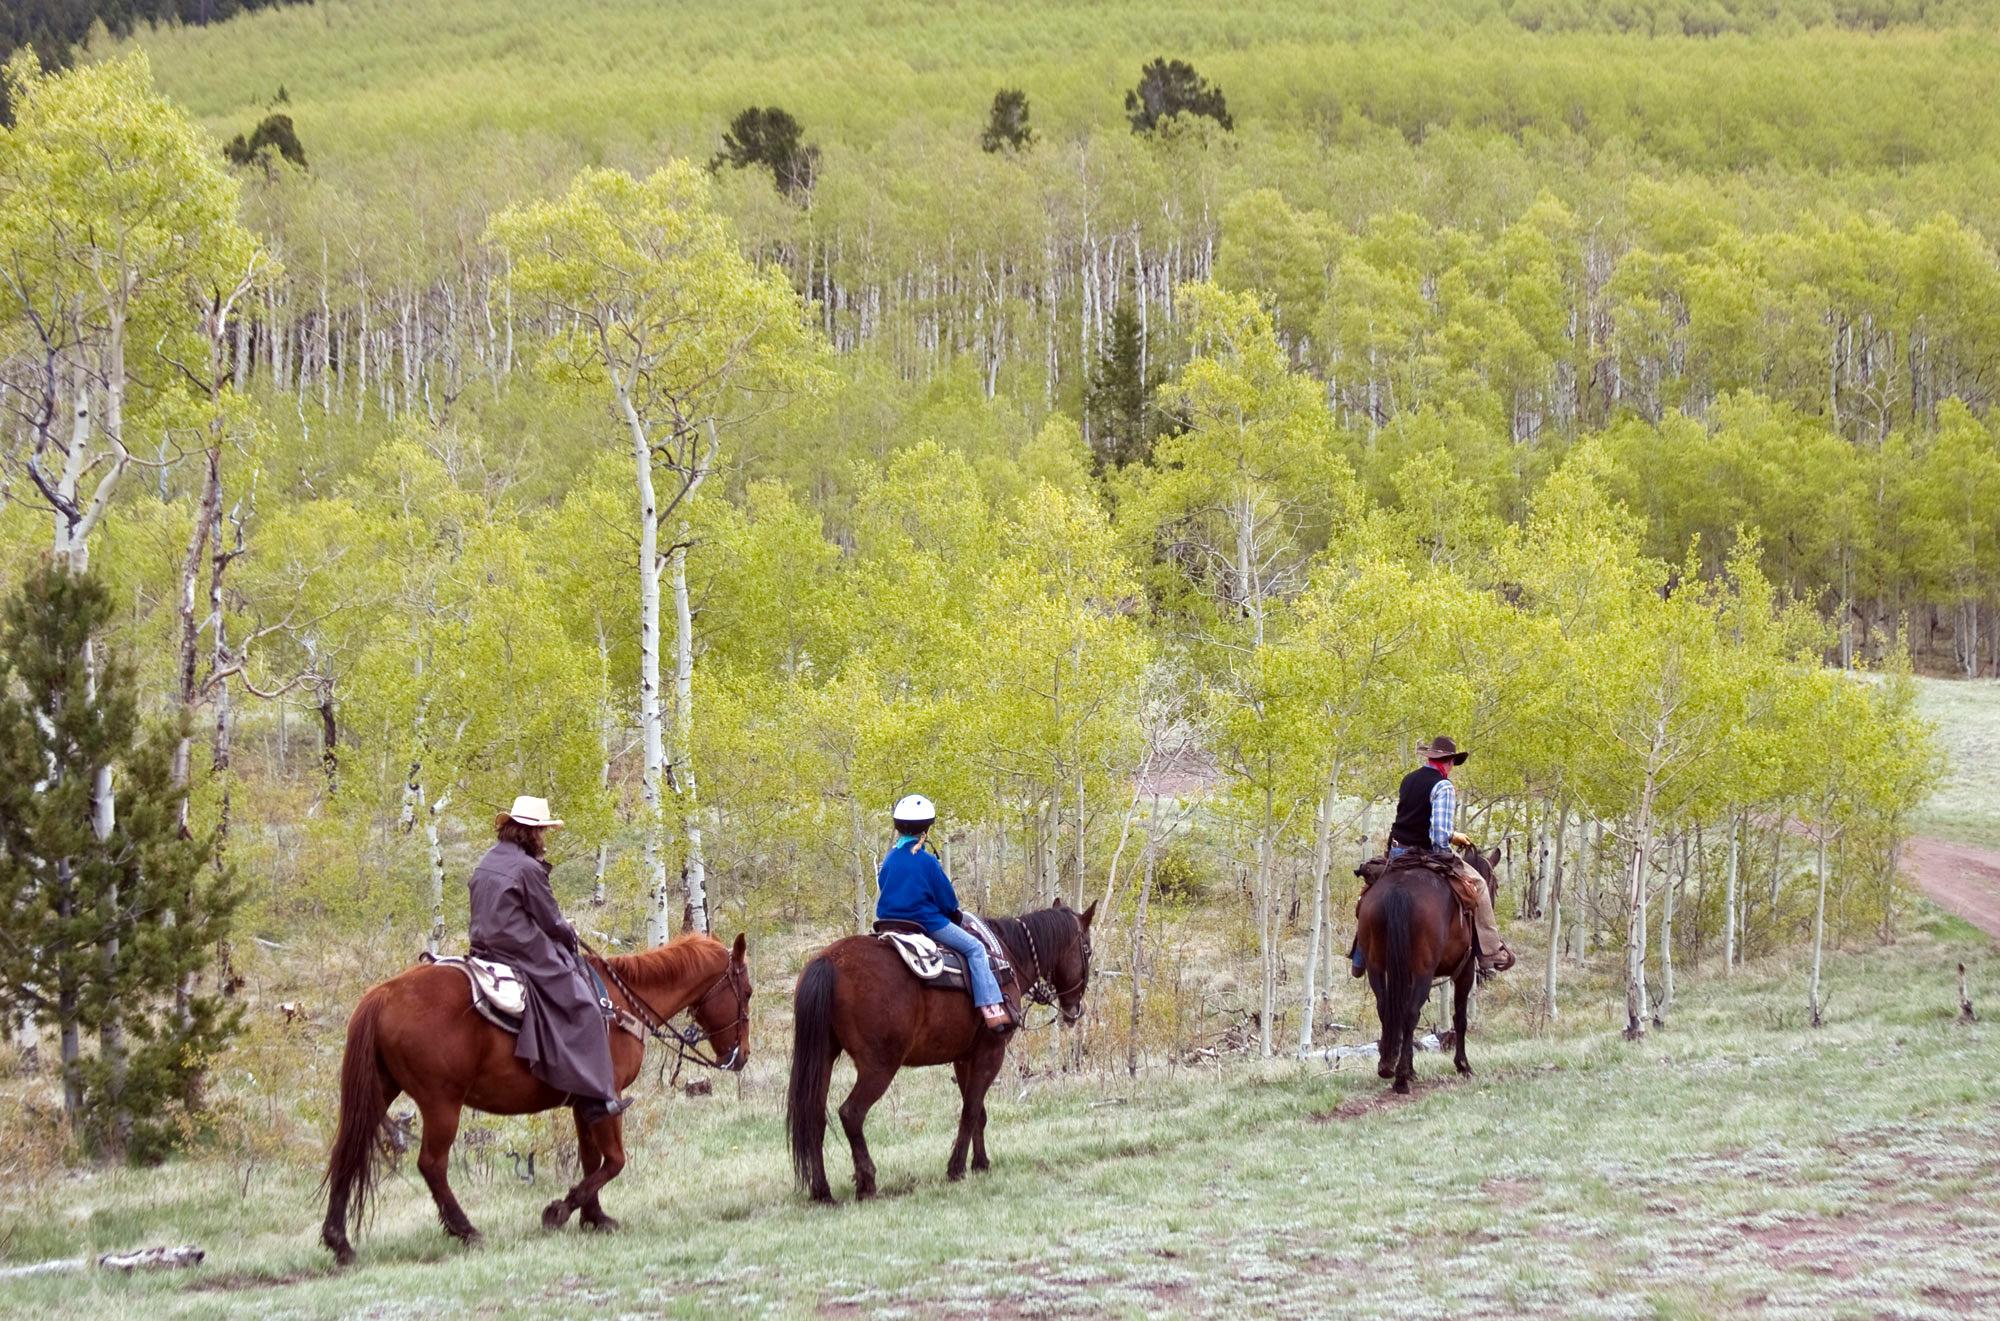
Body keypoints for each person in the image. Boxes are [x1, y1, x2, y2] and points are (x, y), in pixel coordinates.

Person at [467, 795, 632, 1125]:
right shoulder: (528, 868)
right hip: (519, 948)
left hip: (482, 946)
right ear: (531, 833)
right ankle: (595, 1096)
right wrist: (569, 933)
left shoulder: (487, 859)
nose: (544, 838)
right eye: (542, 831)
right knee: (585, 1005)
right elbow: (550, 921)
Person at [1353, 737, 1515, 977]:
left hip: (1398, 851)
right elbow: (1439, 833)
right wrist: (1448, 844)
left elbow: (1410, 816)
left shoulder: (1408, 780)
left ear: (1429, 758)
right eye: (1452, 764)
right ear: (1448, 762)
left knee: (1370, 892)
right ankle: (1491, 951)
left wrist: (1452, 835)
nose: (1451, 768)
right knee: (1479, 885)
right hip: (1427, 852)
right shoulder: (1443, 786)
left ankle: (1359, 957)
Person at [875, 794, 1013, 1032]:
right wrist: (955, 915)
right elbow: (947, 899)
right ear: (925, 831)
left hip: (887, 924)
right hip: (926, 923)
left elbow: (883, 885)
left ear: (898, 828)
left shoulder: (889, 858)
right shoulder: (927, 861)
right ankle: (991, 1007)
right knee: (975, 949)